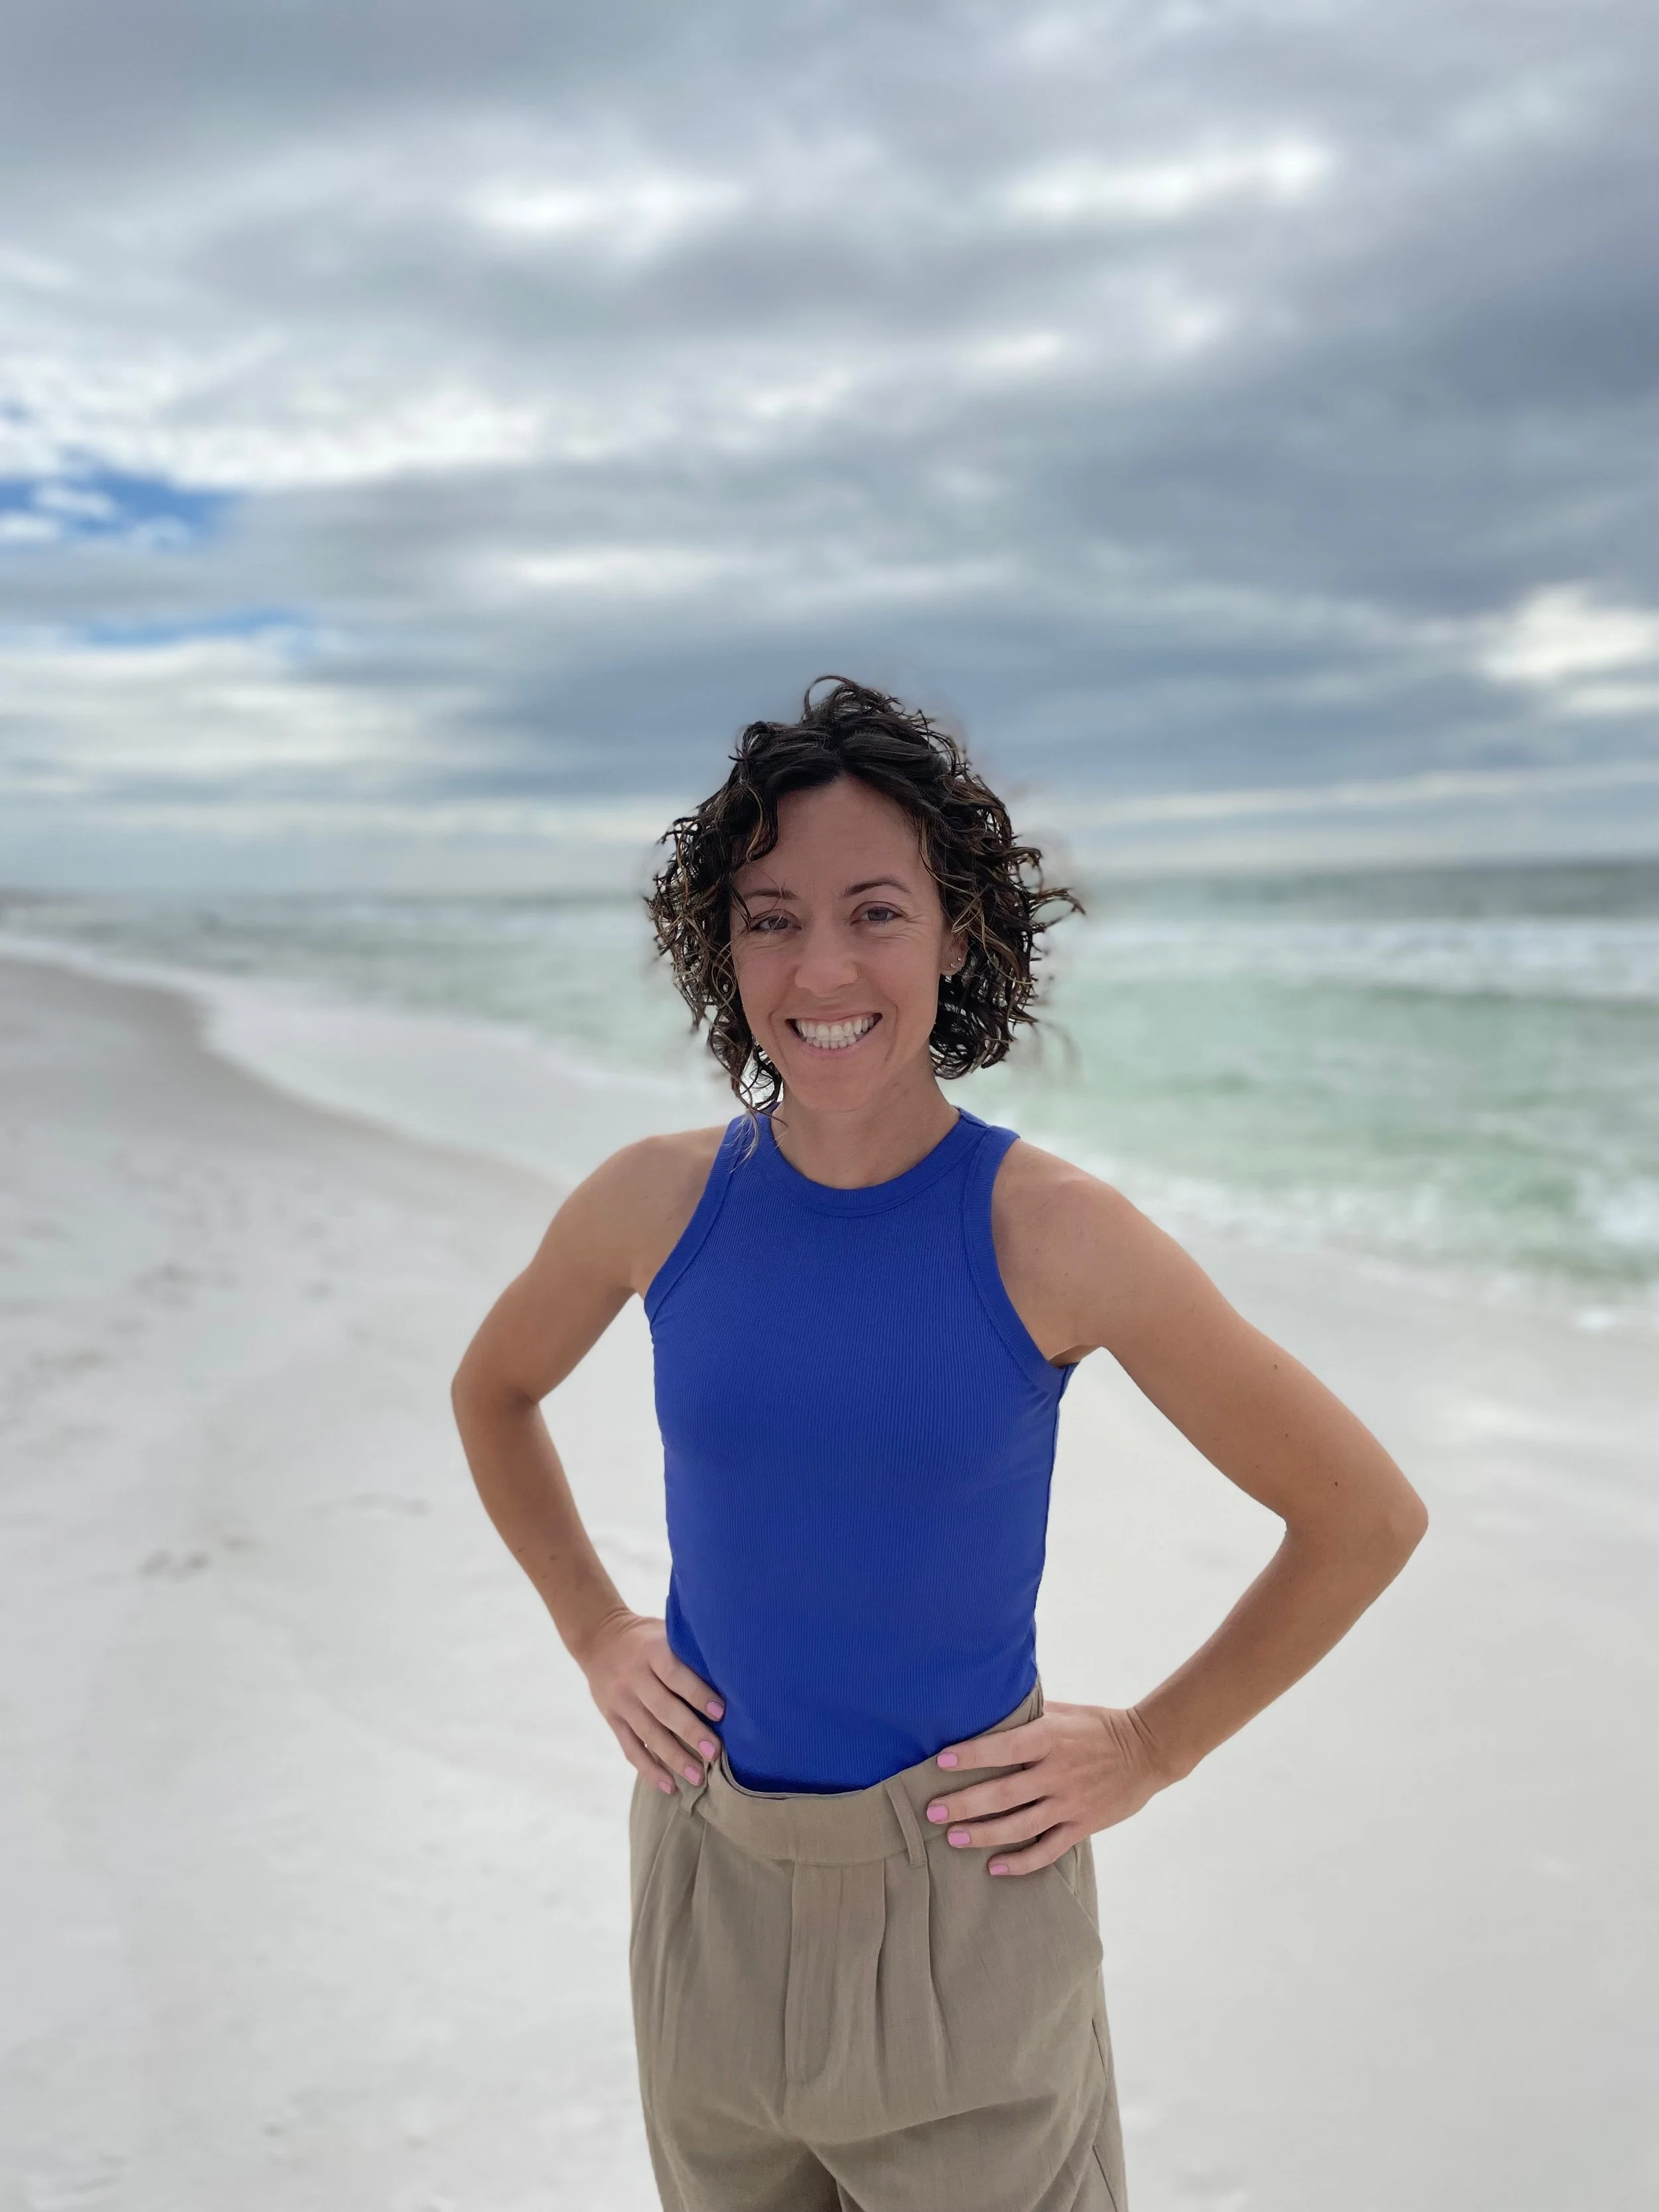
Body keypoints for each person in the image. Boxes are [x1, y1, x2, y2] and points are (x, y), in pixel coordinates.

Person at [451, 677, 1427, 2212]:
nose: (820, 965)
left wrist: (1150, 1747)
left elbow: (1360, 1512)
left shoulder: (1052, 1232)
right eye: (768, 916)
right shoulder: (653, 1201)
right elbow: (490, 1393)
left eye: (874, 911)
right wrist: (591, 1627)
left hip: (964, 1894)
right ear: (722, 945)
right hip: (706, 1877)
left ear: (959, 930)